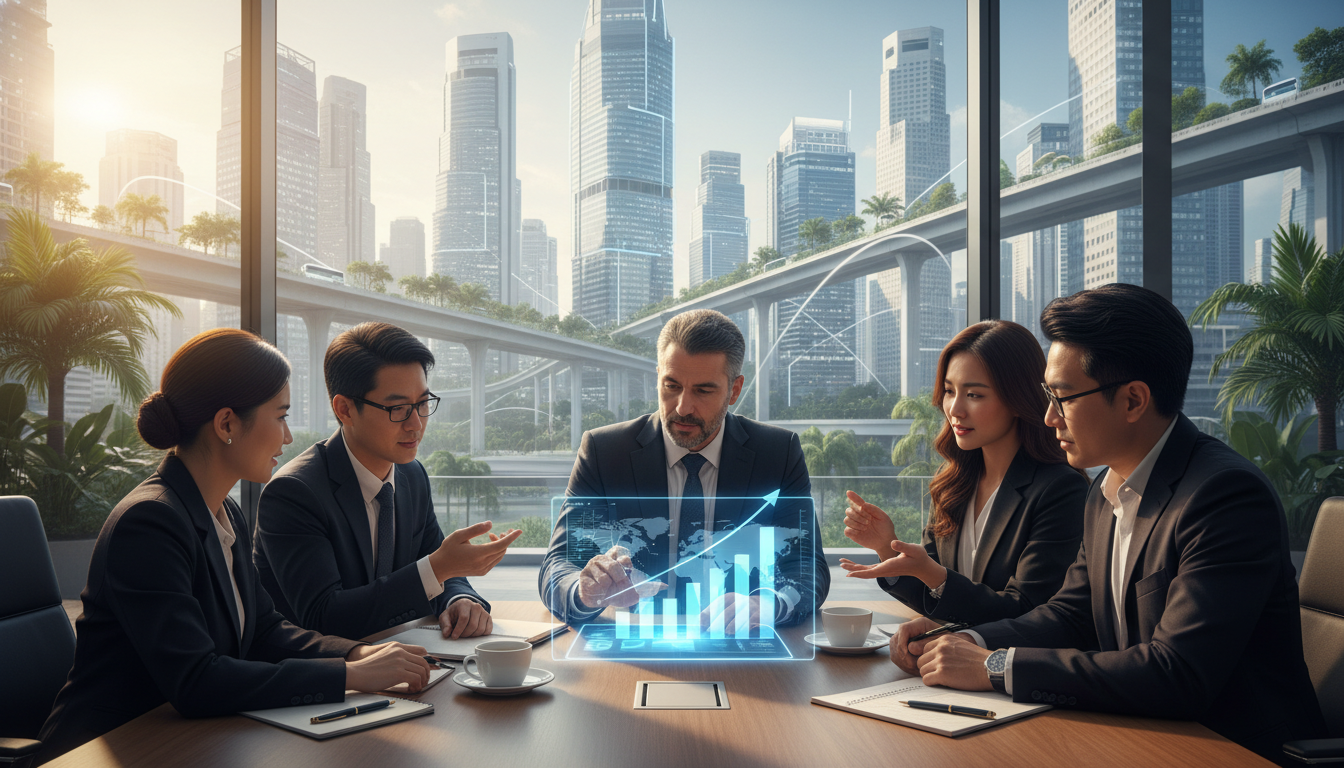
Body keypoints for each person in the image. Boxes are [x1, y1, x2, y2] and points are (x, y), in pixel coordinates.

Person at [889, 284, 1326, 766]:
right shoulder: (1106, 490)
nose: (1049, 417)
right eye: (1046, 396)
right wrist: (967, 641)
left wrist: (995, 666)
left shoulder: (1223, 497)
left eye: (1062, 397)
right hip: (1135, 735)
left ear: (1134, 400)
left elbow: (1175, 672)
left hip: (1228, 749)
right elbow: (1069, 615)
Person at [35, 329, 433, 765]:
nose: (286, 438)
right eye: (279, 417)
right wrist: (349, 674)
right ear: (226, 424)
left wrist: (357, 652)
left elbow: (264, 630)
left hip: (197, 740)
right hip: (111, 747)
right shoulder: (148, 523)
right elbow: (196, 679)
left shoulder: (224, 511)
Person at [539, 309, 829, 629]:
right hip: (636, 641)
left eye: (703, 390)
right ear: (658, 376)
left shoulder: (778, 452)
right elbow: (559, 564)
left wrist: (768, 604)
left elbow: (807, 565)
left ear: (734, 390)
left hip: (739, 643)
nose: (682, 407)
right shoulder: (604, 451)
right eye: (672, 385)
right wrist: (584, 592)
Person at [254, 322, 520, 642]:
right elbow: (324, 617)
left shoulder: (412, 475)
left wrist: (460, 600)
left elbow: (438, 565)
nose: (416, 424)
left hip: (406, 661)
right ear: (345, 409)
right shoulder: (294, 494)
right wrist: (437, 569)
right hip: (328, 680)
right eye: (398, 409)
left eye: (422, 403)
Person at [840, 320, 1088, 625]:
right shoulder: (952, 484)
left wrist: (931, 575)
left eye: (974, 395)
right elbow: (935, 599)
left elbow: (1028, 611)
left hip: (1007, 669)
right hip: (947, 664)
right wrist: (887, 546)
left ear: (1018, 398)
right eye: (949, 391)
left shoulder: (1061, 490)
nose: (954, 408)